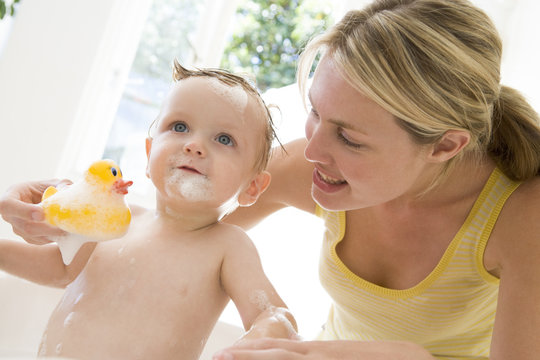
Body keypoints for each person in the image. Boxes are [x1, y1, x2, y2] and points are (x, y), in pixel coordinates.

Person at [1, 0, 539, 359]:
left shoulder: (523, 218)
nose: (314, 151)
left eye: (350, 138)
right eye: (314, 113)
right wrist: (65, 208)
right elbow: (176, 225)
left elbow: (268, 310)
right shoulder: (312, 164)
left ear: (445, 145)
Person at [0, 60, 298, 360]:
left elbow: (274, 315)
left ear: (253, 187)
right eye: (180, 127)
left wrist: (262, 335)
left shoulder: (228, 247)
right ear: (148, 152)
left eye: (224, 139)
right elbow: (60, 269)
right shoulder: (116, 219)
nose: (195, 145)